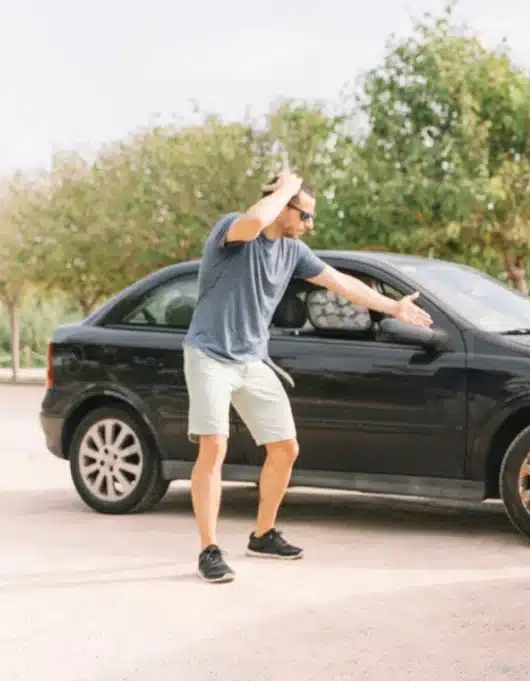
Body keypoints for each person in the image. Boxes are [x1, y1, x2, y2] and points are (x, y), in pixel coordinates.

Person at [182, 169, 433, 583]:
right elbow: (253, 223)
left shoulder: (293, 252)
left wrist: (392, 308)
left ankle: (262, 534)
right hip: (209, 353)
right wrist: (284, 189)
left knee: (286, 448)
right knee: (214, 447)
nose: (310, 225)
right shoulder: (234, 229)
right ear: (284, 207)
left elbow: (340, 282)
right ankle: (209, 550)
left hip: (252, 359)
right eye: (306, 215)